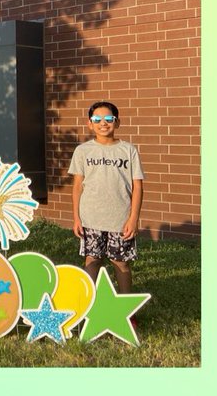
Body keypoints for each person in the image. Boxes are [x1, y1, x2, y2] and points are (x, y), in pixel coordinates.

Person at [69, 100, 144, 293]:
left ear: (117, 122)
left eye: (109, 118)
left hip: (120, 219)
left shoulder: (129, 150)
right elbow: (77, 186)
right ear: (90, 123)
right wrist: (77, 217)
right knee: (92, 261)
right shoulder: (82, 151)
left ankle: (127, 311)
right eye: (97, 119)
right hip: (90, 218)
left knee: (121, 263)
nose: (103, 123)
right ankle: (89, 308)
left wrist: (133, 218)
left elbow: (137, 186)